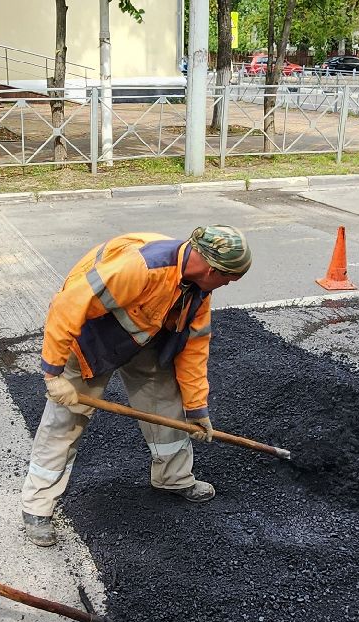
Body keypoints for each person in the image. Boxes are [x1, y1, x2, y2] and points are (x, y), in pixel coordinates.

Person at [20, 225, 252, 548]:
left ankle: (173, 477)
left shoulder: (199, 291)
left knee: (166, 401)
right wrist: (53, 374)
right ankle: (37, 506)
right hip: (90, 336)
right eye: (228, 278)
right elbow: (68, 305)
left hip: (141, 336)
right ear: (212, 268)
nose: (227, 285)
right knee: (66, 419)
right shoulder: (143, 268)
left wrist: (197, 409)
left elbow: (194, 350)